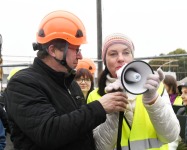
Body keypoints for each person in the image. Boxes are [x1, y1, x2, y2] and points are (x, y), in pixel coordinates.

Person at [4, 10, 128, 150]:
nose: (80, 56)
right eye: (76, 49)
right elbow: (48, 133)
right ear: (53, 51)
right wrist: (99, 107)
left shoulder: (71, 84)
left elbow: (82, 132)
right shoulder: (22, 84)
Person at [87, 33, 180, 150]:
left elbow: (170, 136)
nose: (120, 58)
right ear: (105, 60)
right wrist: (114, 111)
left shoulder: (156, 88)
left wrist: (153, 101)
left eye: (126, 52)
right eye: (113, 54)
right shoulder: (95, 96)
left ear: (132, 57)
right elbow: (100, 146)